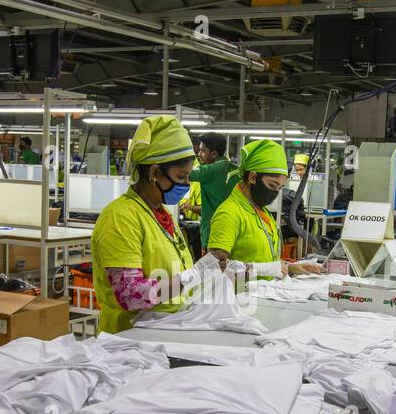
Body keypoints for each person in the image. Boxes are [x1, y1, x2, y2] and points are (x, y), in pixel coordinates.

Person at [91, 115, 210, 334]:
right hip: (127, 343)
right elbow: (130, 295)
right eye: (181, 176)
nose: (186, 185)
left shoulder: (161, 215)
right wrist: (192, 276)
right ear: (155, 172)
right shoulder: (120, 217)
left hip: (164, 333)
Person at [207, 139, 323, 281]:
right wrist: (264, 269)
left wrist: (291, 268)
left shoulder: (261, 212)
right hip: (239, 298)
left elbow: (265, 259)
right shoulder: (229, 213)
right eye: (272, 185)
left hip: (262, 294)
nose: (275, 193)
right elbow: (214, 267)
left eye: (280, 188)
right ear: (253, 177)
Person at [188, 131, 237, 249]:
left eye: (202, 151)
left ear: (214, 154)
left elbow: (182, 173)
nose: (199, 154)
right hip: (233, 229)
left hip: (213, 233)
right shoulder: (235, 170)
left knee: (213, 266)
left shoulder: (209, 171)